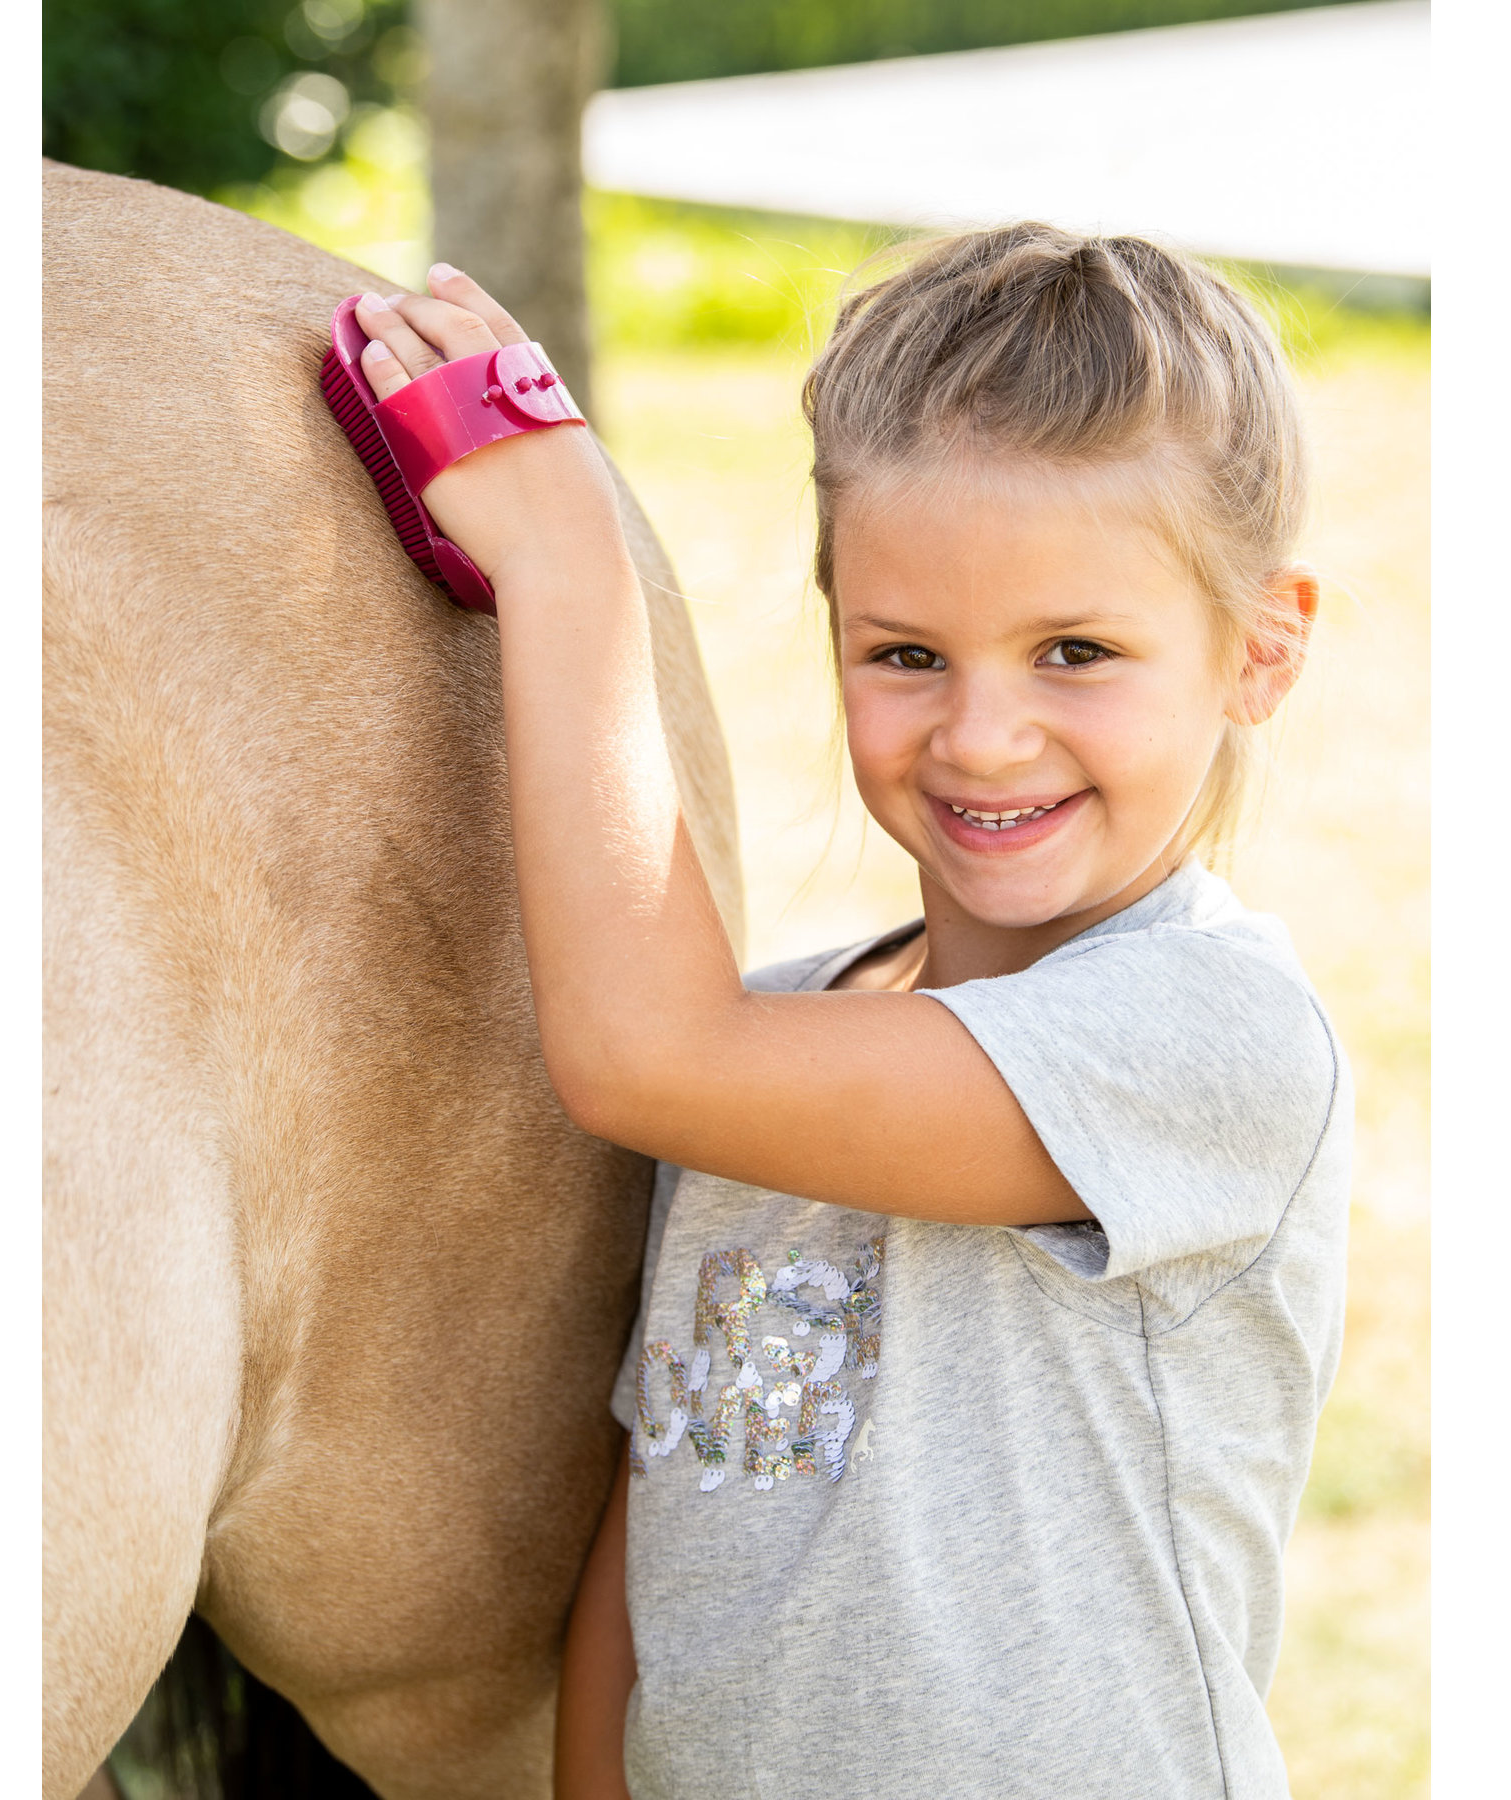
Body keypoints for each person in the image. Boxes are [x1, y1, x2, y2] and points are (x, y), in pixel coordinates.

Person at [347, 222, 1350, 1800]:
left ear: (1261, 649)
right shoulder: (778, 1038)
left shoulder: (1211, 1033)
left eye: (1074, 652)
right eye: (904, 654)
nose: (983, 736)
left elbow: (641, 1053)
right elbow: (669, 1519)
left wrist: (566, 557)